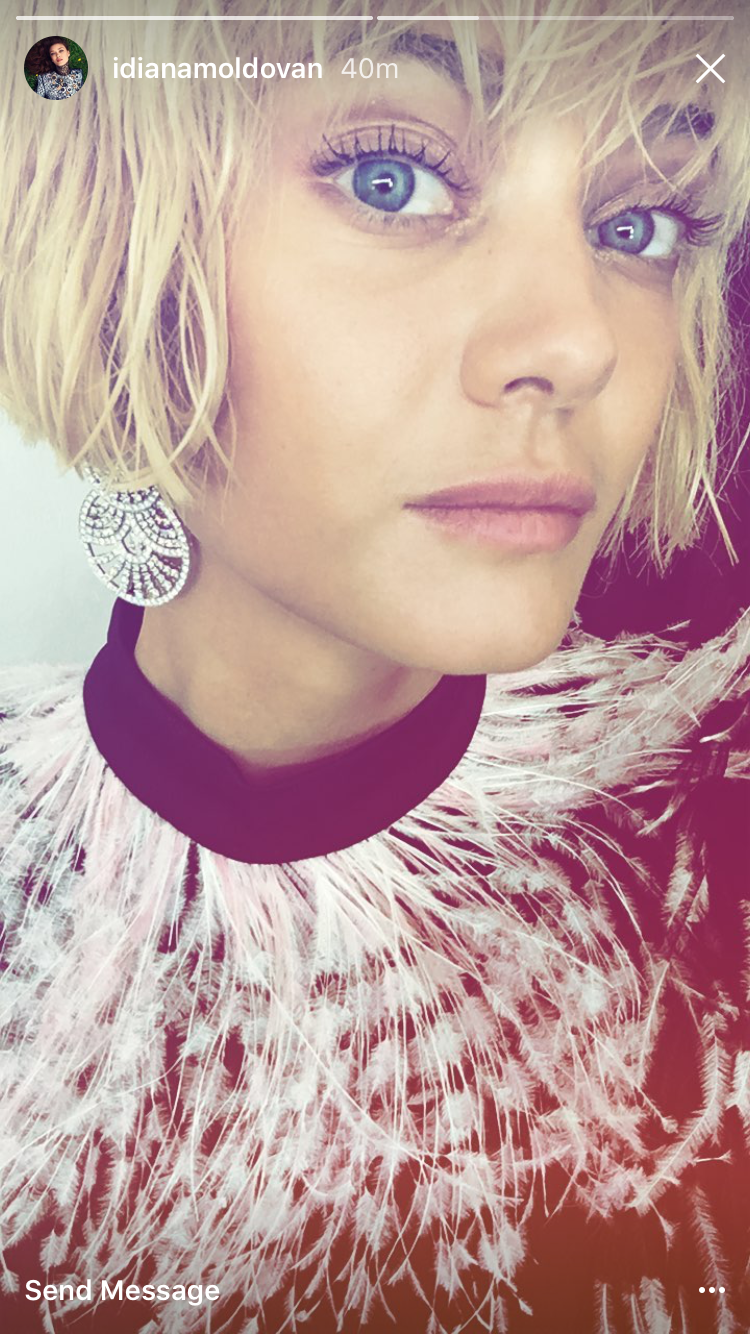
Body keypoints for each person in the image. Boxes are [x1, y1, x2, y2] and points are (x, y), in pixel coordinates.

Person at [1, 1, 749, 1331]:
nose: (578, 344)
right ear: (111, 235)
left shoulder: (710, 853)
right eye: (392, 178)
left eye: (638, 224)